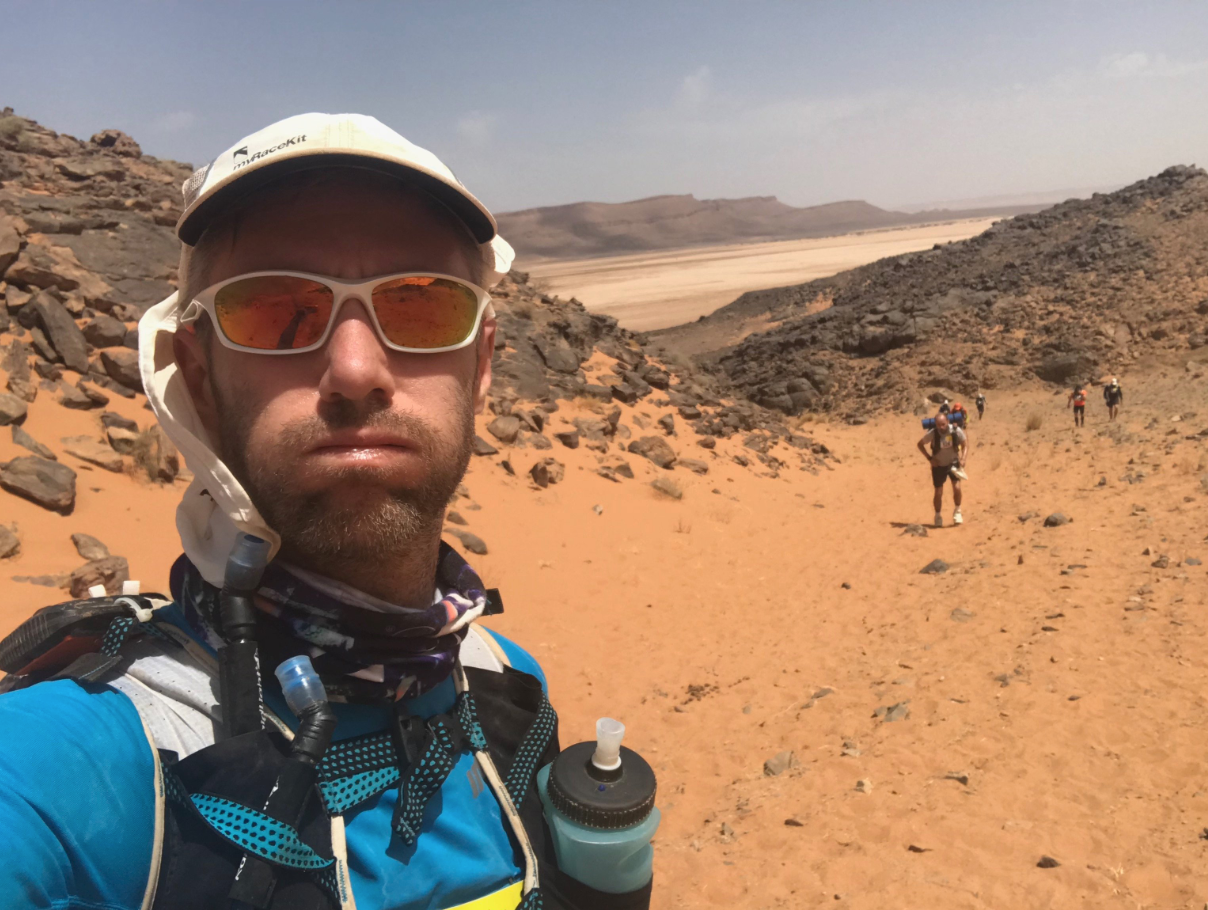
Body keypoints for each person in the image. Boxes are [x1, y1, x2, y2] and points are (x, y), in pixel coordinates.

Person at [0, 115, 646, 910]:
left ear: (480, 368)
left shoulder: (505, 684)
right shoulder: (79, 765)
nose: (354, 369)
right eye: (278, 312)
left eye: (419, 306)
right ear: (199, 379)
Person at [917, 412, 969, 527]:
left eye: (943, 424)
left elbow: (964, 444)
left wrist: (963, 458)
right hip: (939, 465)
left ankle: (957, 511)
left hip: (953, 463)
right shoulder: (933, 433)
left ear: (948, 422)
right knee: (938, 492)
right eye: (938, 425)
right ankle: (938, 515)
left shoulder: (955, 430)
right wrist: (930, 459)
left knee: (957, 488)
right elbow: (920, 444)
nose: (941, 427)